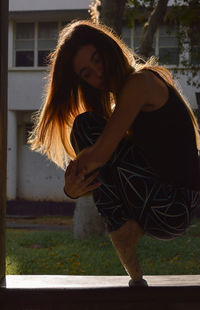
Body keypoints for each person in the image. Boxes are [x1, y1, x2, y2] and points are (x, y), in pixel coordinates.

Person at [29, 19, 200, 287]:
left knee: (85, 127)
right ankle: (128, 248)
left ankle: (123, 234)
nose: (98, 73)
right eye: (87, 73)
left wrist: (71, 187)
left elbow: (100, 156)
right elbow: (106, 173)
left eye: (98, 59)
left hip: (173, 206)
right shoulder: (124, 98)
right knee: (91, 135)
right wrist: (76, 188)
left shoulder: (141, 82)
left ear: (109, 49)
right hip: (164, 209)